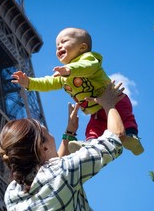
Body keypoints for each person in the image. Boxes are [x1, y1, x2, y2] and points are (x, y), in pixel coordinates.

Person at [0, 82, 126, 211]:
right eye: (46, 132)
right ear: (43, 148)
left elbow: (52, 175)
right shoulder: (62, 172)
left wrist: (70, 132)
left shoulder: (12, 193)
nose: (52, 135)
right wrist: (109, 103)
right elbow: (116, 138)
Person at [11, 27, 144, 155]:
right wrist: (29, 82)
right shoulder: (63, 75)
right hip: (97, 109)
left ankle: (132, 136)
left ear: (82, 48)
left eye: (64, 42)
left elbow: (87, 67)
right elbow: (47, 83)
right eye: (57, 45)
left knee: (125, 116)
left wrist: (70, 70)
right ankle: (90, 143)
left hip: (115, 99)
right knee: (93, 128)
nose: (59, 46)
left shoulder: (89, 58)